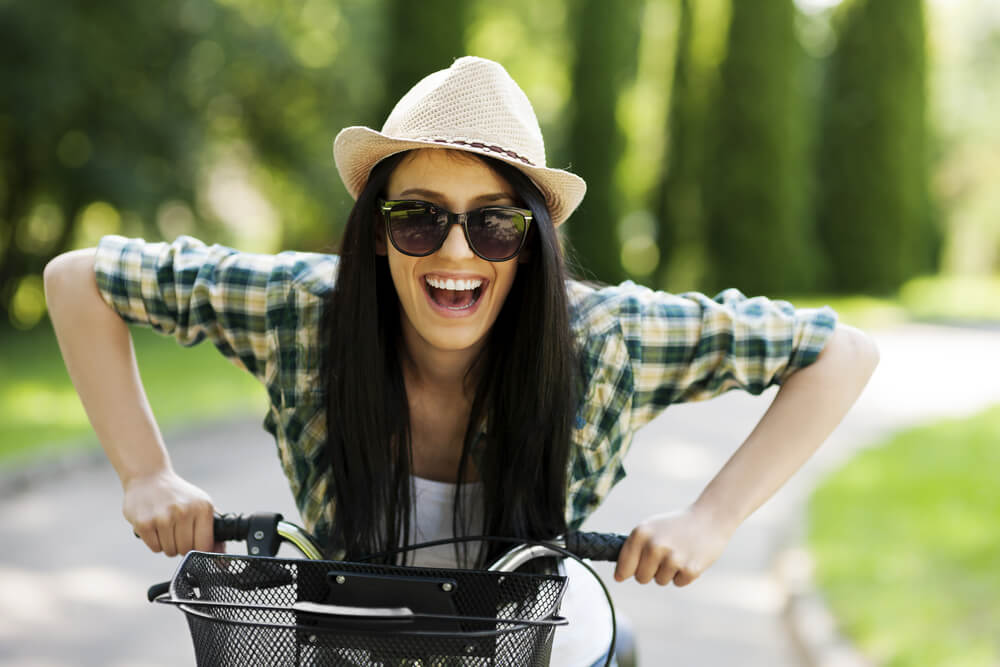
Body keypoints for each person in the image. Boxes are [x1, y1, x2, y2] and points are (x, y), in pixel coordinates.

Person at [44, 56, 879, 666]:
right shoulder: (306, 310)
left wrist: (712, 518)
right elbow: (78, 280)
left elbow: (841, 351)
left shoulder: (605, 336)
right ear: (378, 231)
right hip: (356, 645)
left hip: (541, 643)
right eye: (418, 218)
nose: (455, 252)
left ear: (533, 244)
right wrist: (145, 473)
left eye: (493, 224)